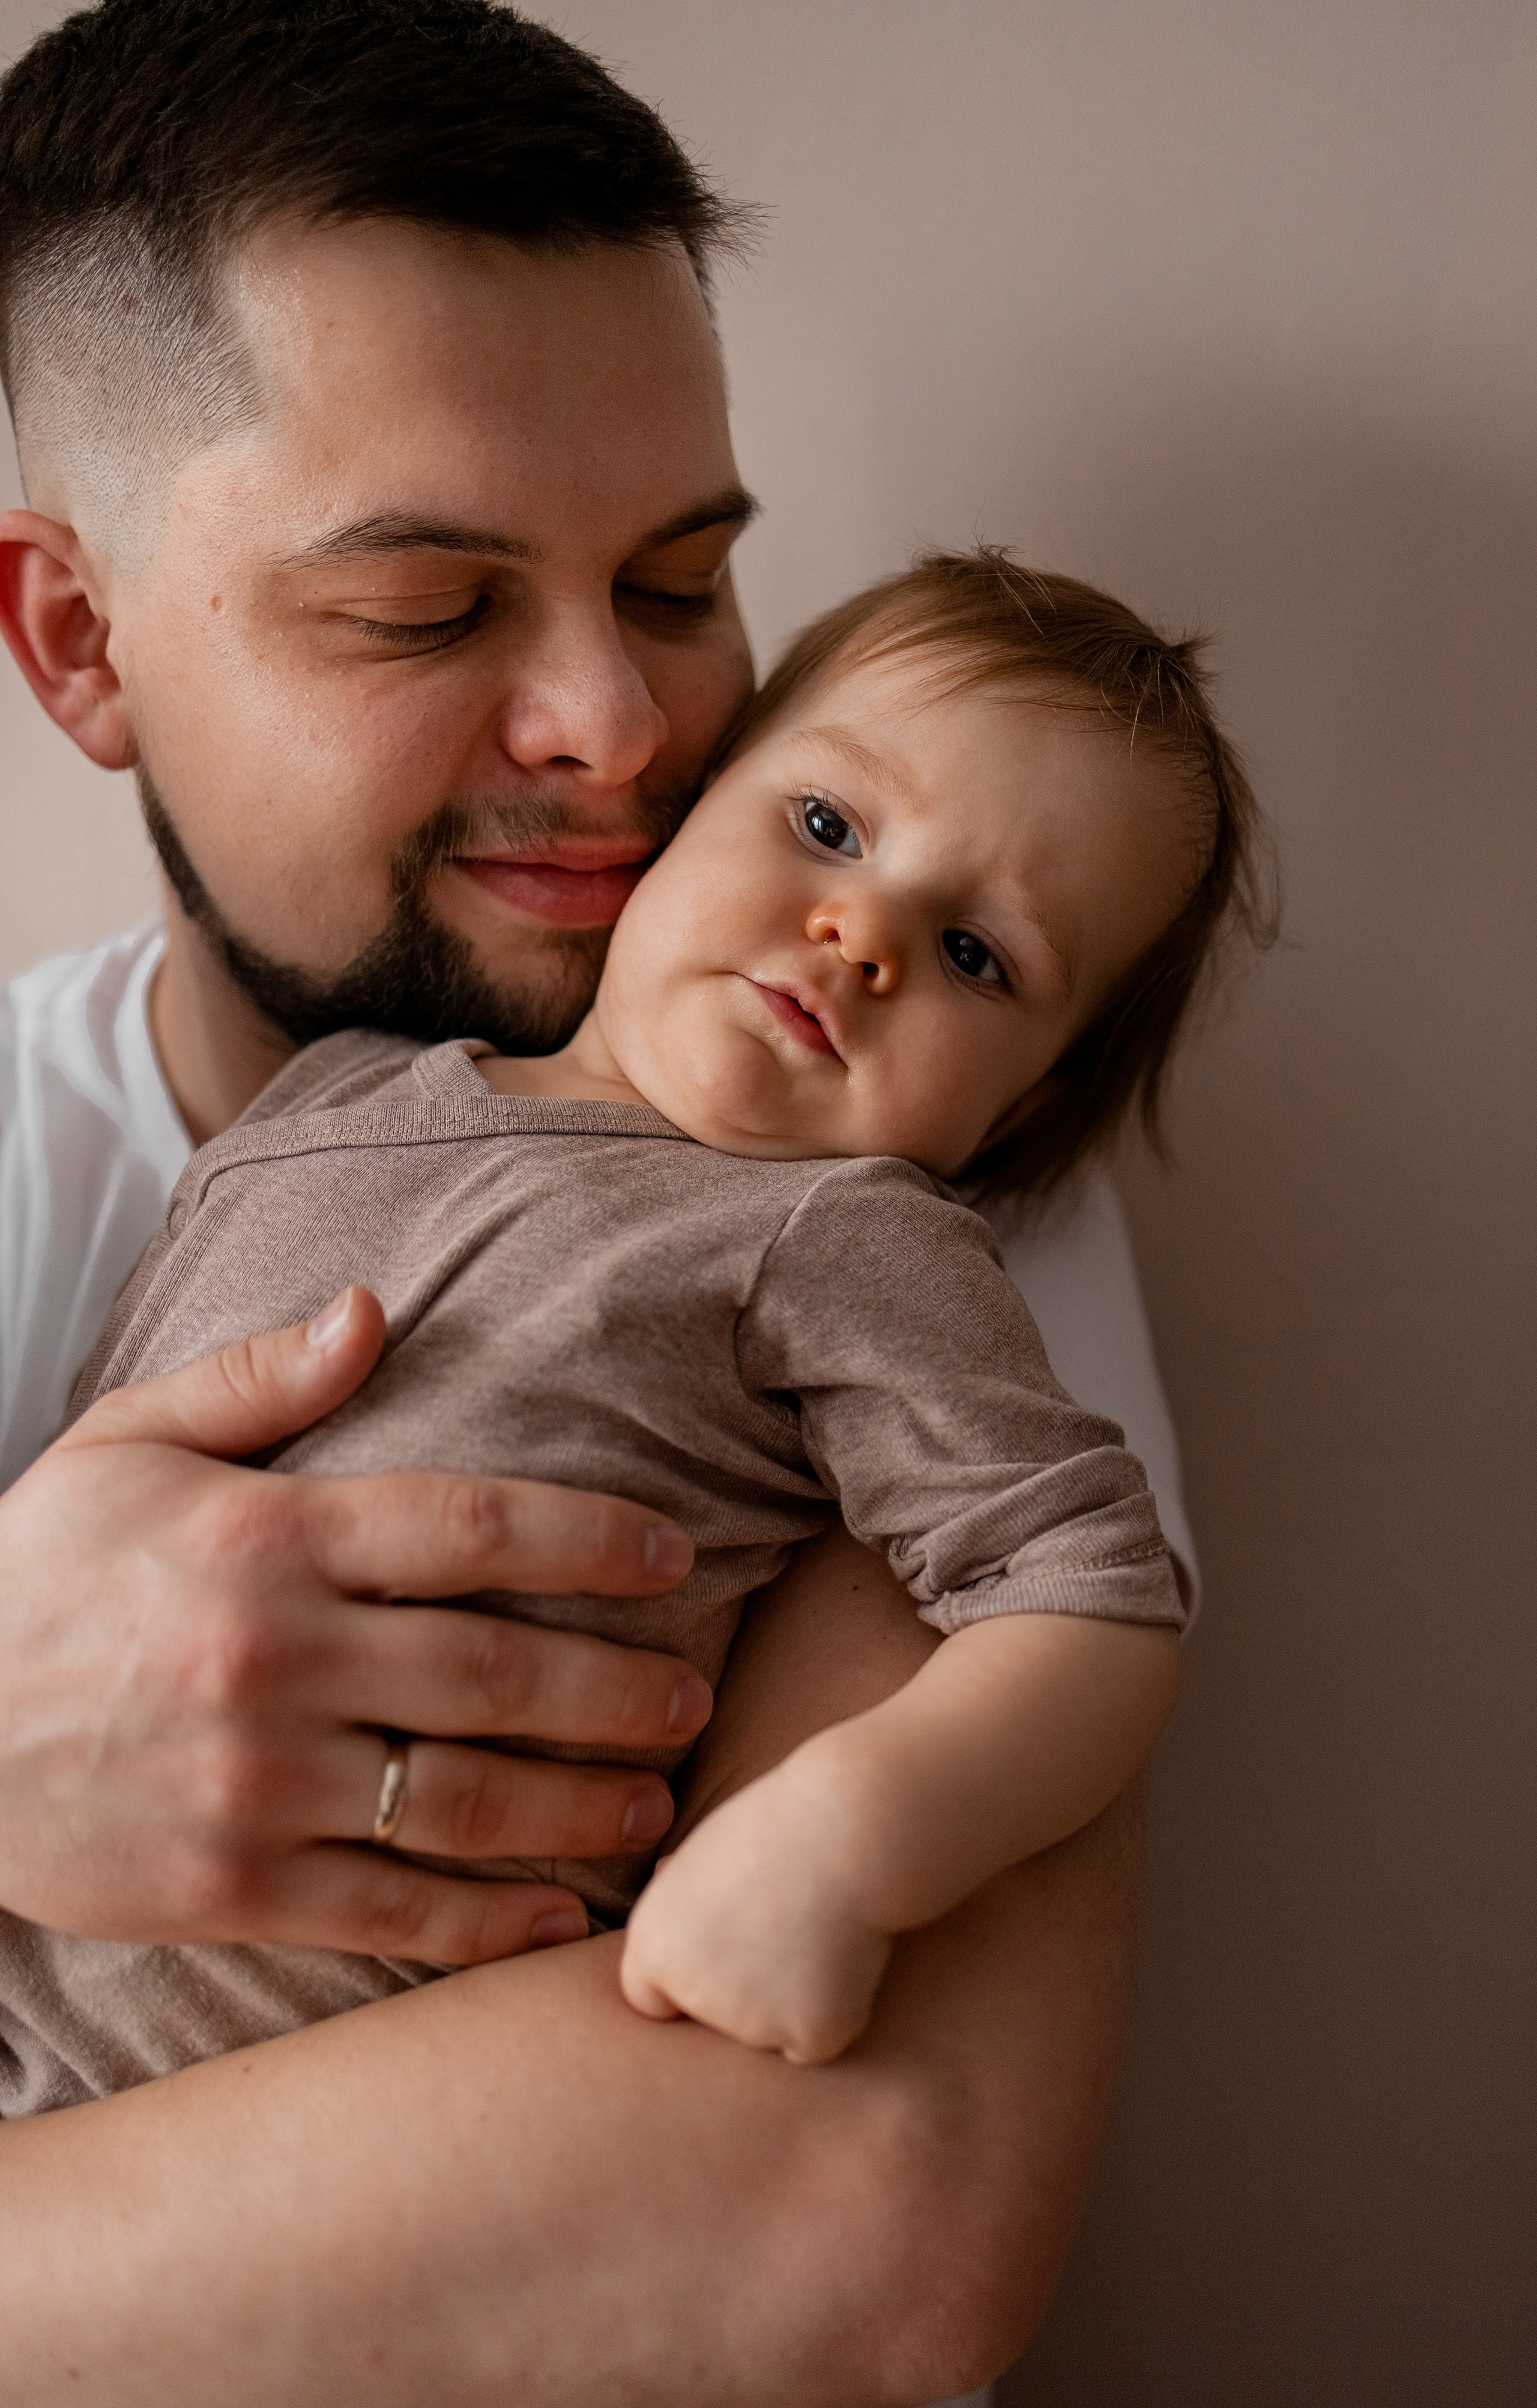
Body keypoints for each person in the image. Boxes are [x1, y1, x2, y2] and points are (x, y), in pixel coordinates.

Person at [0, 3, 1216, 2397]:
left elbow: (828, 2230)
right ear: (75, 637)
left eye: (677, 583)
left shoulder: (864, 1164)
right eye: (430, 609)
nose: (627, 729)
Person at [7, 549, 1263, 2106]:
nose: (862, 933)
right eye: (826, 825)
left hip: (307, 2106)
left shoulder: (841, 1232)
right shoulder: (335, 1090)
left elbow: (1092, 1604)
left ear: (1030, 1096)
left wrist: (847, 1836)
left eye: (976, 956)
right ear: (688, 803)